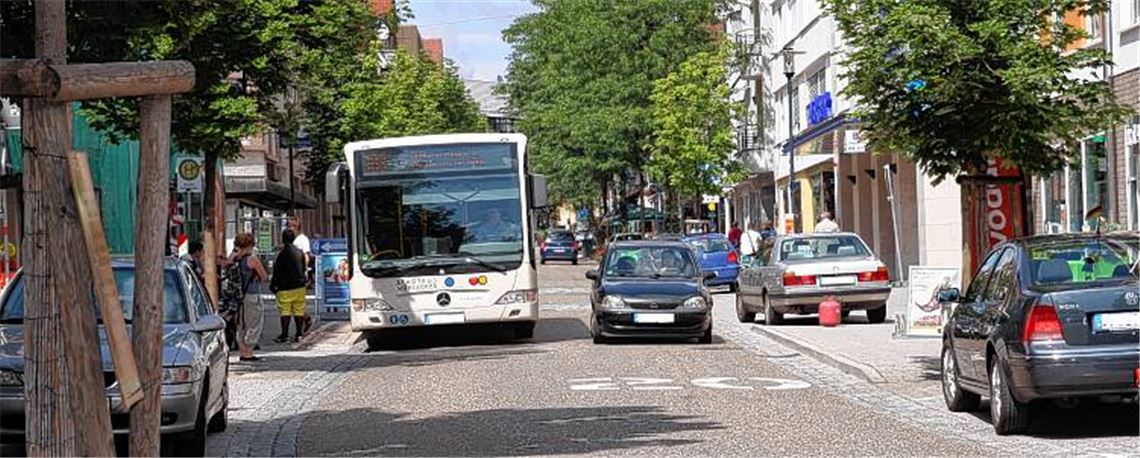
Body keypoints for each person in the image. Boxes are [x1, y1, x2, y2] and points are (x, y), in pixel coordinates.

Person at [230, 233, 268, 362]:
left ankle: (242, 352)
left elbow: (226, 266)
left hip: (238, 296)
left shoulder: (234, 259)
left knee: (241, 324)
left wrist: (234, 252)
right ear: (251, 245)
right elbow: (264, 277)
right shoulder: (252, 259)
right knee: (254, 323)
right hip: (251, 295)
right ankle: (248, 353)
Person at [271, 229, 309, 343]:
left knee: (285, 311)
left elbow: (277, 272)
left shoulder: (282, 255)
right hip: (300, 286)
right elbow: (303, 267)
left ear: (283, 239)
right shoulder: (300, 252)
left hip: (285, 287)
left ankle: (285, 334)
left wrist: (273, 285)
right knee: (299, 310)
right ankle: (299, 333)